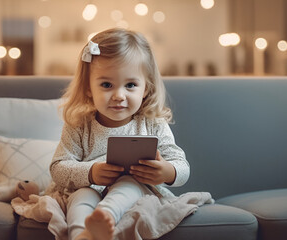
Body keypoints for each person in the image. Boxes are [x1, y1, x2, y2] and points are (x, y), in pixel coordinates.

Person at [48, 28, 190, 240]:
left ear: (145, 89)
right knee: (81, 196)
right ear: (88, 88)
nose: (119, 95)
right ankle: (81, 235)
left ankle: (105, 217)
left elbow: (183, 167)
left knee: (129, 184)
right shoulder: (79, 124)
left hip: (134, 190)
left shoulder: (153, 124)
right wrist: (91, 172)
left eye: (130, 85)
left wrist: (166, 172)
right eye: (106, 85)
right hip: (89, 187)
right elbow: (58, 168)